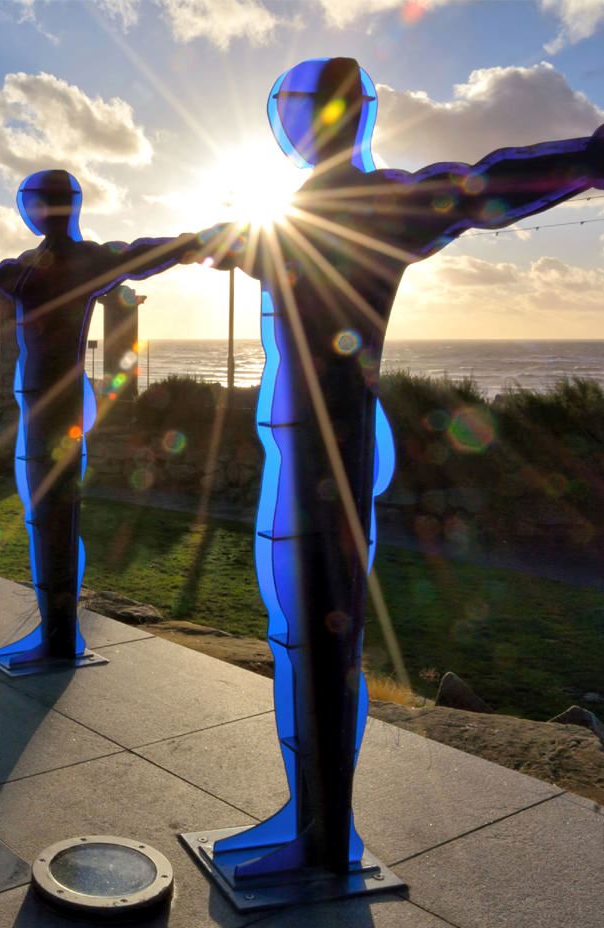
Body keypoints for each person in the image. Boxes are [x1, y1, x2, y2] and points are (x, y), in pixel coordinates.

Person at [194, 57, 604, 880]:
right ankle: (304, 816)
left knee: (321, 631)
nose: (296, 119)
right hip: (294, 456)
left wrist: (591, 154)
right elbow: (215, 245)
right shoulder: (282, 217)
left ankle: (320, 835)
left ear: (326, 114)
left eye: (302, 105)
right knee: (291, 630)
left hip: (329, 457)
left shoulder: (384, 201)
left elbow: (490, 180)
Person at [0, 169, 200, 670]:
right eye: (35, 203)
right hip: (36, 408)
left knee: (57, 514)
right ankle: (54, 631)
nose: (40, 212)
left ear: (65, 206)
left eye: (47, 203)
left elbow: (158, 249)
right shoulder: (21, 265)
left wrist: (216, 239)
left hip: (61, 410)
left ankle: (61, 636)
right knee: (42, 514)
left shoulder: (88, 259)